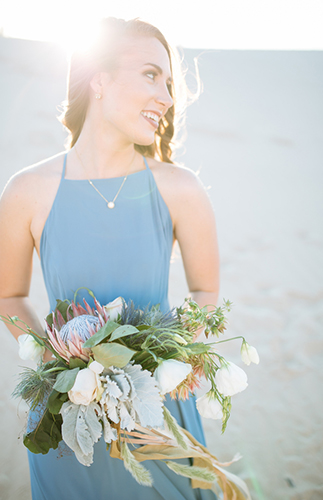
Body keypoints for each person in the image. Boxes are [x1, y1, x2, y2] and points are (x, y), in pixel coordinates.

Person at [0, 17, 219, 500]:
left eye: (168, 82)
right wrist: (60, 366)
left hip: (157, 418)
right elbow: (8, 293)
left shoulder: (180, 188)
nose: (165, 95)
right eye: (149, 74)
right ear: (98, 79)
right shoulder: (26, 191)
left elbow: (206, 290)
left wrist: (172, 361)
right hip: (65, 418)